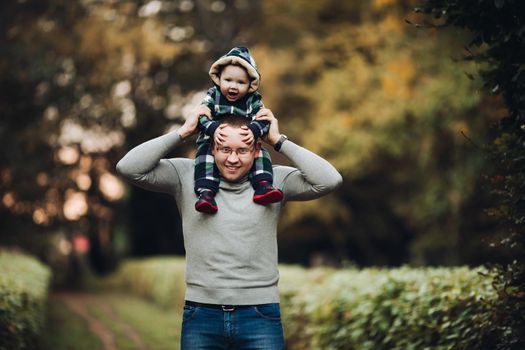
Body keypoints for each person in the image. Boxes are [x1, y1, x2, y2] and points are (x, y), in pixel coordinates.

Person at [116, 105, 342, 349]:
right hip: (201, 314)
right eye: (224, 149)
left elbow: (329, 180)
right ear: (213, 147)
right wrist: (183, 132)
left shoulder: (274, 182)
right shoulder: (187, 175)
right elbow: (128, 168)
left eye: (242, 150)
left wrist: (278, 140)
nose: (233, 159)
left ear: (256, 150)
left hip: (260, 315)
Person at [195, 46, 283, 214]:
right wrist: (211, 128)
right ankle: (206, 193)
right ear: (218, 78)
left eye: (240, 82)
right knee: (204, 156)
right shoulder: (213, 96)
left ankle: (263, 185)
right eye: (228, 80)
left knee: (261, 153)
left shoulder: (254, 100)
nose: (233, 87)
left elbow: (264, 118)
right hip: (213, 139)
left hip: (246, 138)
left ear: (250, 84)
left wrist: (254, 129)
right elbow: (201, 115)